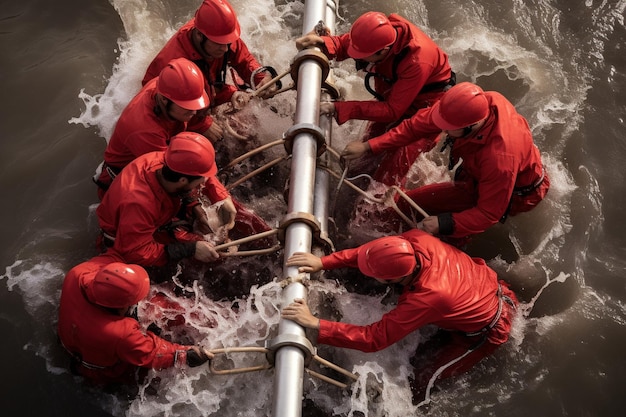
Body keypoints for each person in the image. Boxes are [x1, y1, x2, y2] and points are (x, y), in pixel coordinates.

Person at [281, 229, 518, 402]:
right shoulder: (415, 240)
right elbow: (370, 253)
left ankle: (418, 405)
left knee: (424, 378)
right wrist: (323, 262)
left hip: (492, 326)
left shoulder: (426, 298)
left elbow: (374, 339)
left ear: (395, 279)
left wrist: (317, 325)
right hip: (491, 287)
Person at [361, 82, 550, 242]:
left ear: (470, 127)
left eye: (448, 128)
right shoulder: (477, 105)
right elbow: (416, 125)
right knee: (411, 205)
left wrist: (444, 223)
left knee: (440, 226)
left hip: (518, 193)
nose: (442, 130)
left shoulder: (499, 160)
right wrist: (370, 146)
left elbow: (488, 213)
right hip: (486, 169)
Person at [296, 11, 454, 185]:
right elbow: (346, 44)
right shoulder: (378, 35)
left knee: (385, 180)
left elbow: (392, 111)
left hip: (423, 112)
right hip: (395, 97)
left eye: (361, 55)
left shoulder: (418, 61)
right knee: (362, 163)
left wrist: (339, 108)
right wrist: (323, 43)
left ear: (383, 51)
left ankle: (384, 206)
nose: (356, 58)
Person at [57, 253, 213, 385]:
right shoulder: (119, 333)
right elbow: (153, 353)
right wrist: (185, 354)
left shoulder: (77, 274)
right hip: (102, 370)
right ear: (120, 307)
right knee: (149, 381)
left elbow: (115, 255)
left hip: (74, 339)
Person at [142, 0, 277, 143]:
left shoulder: (219, 36)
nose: (225, 49)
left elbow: (243, 59)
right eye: (220, 44)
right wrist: (201, 125)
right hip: (177, 111)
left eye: (228, 42)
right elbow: (167, 108)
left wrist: (260, 79)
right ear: (199, 35)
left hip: (203, 95)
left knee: (250, 128)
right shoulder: (171, 65)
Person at [96, 132, 232, 268]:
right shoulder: (138, 204)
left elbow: (197, 170)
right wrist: (189, 249)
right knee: (214, 257)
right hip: (131, 245)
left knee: (215, 244)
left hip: (156, 220)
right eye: (200, 181)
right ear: (183, 180)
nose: (204, 182)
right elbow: (135, 252)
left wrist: (221, 198)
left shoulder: (167, 161)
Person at [94, 57, 210, 197]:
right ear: (164, 100)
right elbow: (175, 174)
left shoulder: (164, 87)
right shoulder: (145, 130)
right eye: (187, 107)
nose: (194, 111)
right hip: (124, 187)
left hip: (157, 157)